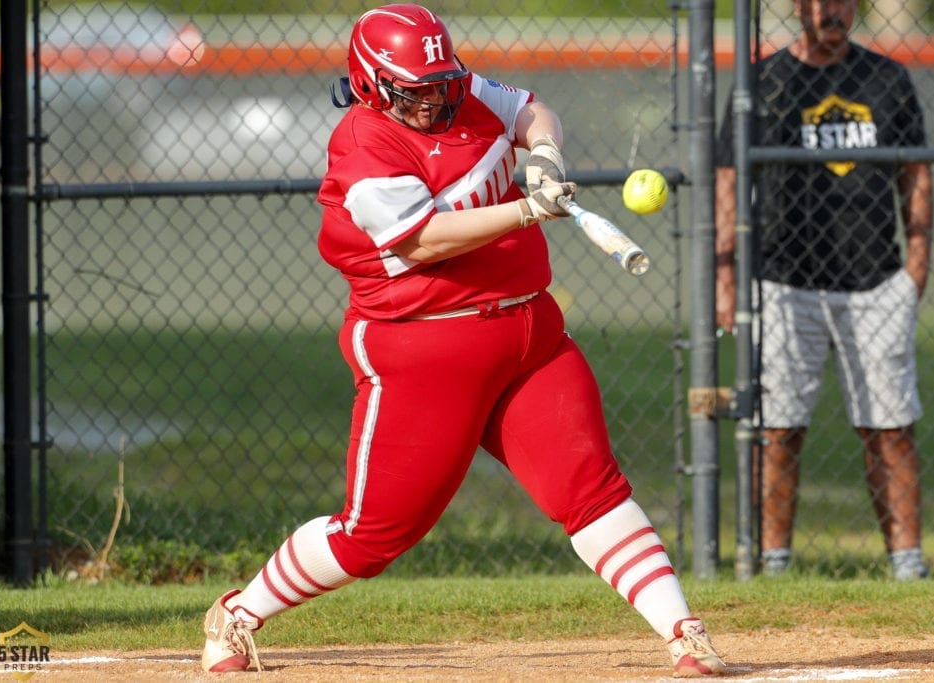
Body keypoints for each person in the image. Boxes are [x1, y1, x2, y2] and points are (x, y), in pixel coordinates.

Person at [200, 4, 725, 677]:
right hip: (422, 350)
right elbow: (422, 238)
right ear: (371, 84)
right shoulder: (364, 146)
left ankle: (684, 631)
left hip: (528, 334)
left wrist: (544, 156)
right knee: (374, 537)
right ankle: (239, 613)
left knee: (591, 489)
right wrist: (529, 207)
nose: (432, 101)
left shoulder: (462, 90)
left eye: (439, 84)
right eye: (413, 91)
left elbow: (533, 111)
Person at [715, 0, 933, 580]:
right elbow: (729, 179)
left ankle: (908, 566)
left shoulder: (887, 79)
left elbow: (916, 175)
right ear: (797, 8)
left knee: (889, 429)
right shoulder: (763, 83)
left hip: (876, 279)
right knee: (778, 430)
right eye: (819, 2)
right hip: (784, 281)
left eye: (842, 1)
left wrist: (916, 264)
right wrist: (726, 275)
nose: (831, 11)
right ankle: (775, 563)